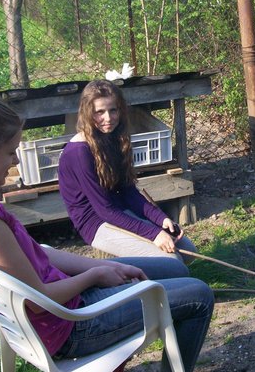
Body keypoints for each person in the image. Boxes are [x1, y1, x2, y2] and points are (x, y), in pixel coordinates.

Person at [0, 89, 214, 372]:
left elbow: (39, 254)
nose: (15, 160)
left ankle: (131, 355)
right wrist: (95, 275)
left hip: (66, 308)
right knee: (199, 295)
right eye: (10, 152)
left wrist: (105, 268)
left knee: (174, 267)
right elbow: (39, 301)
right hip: (74, 325)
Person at [58, 79, 197, 263]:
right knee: (172, 260)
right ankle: (131, 278)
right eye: (100, 112)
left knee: (187, 250)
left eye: (113, 110)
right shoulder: (79, 152)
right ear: (87, 113)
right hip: (97, 222)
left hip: (120, 209)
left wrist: (160, 219)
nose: (108, 118)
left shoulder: (113, 137)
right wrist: (153, 233)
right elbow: (104, 210)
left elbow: (128, 191)